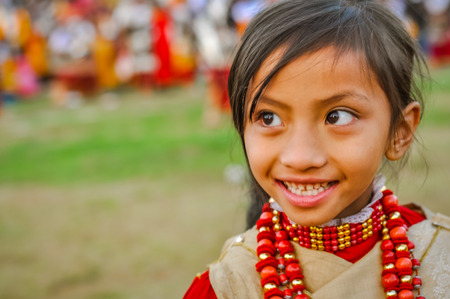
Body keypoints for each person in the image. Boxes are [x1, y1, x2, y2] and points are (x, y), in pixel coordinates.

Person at [184, 0, 450, 298]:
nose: (300, 158)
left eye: (337, 116)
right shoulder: (225, 286)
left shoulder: (439, 257)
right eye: (268, 117)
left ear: (399, 132)